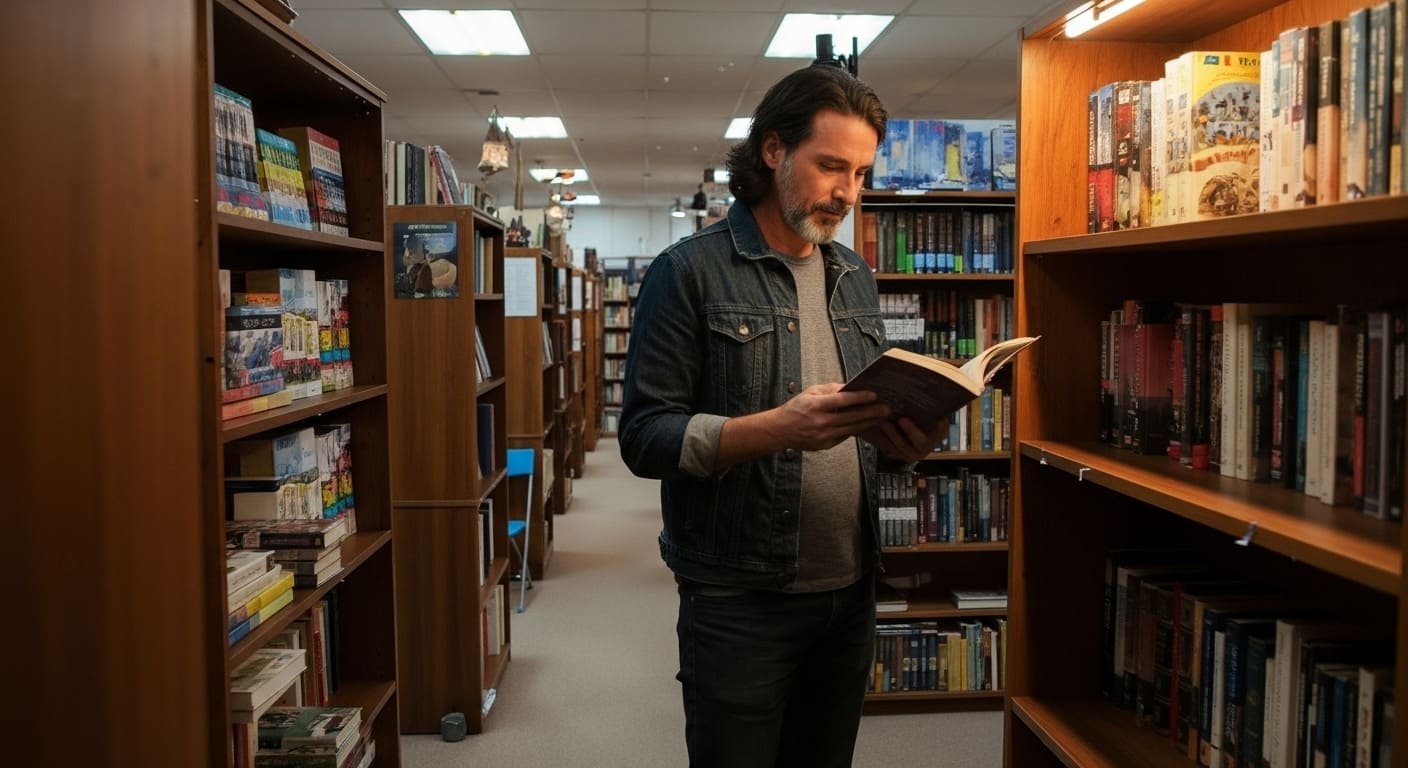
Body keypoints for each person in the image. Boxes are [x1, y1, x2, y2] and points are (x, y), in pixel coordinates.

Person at [617, 62, 945, 768]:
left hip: (850, 589)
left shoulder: (854, 276)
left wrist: (910, 439)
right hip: (739, 598)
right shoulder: (689, 273)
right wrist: (777, 429)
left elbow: (868, 429)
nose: (847, 193)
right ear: (773, 151)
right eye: (831, 166)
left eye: (861, 174)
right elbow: (644, 438)